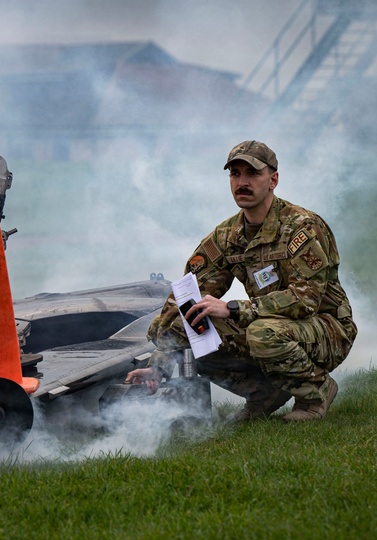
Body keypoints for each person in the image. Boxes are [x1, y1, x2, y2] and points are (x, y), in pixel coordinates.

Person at [126, 140, 357, 422]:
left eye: (252, 174)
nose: (242, 182)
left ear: (273, 180)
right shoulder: (226, 236)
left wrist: (235, 309)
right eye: (235, 174)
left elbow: (305, 300)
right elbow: (187, 297)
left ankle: (315, 392)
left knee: (262, 332)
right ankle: (263, 393)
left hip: (327, 329)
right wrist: (159, 365)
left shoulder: (302, 227)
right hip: (274, 325)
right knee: (193, 323)